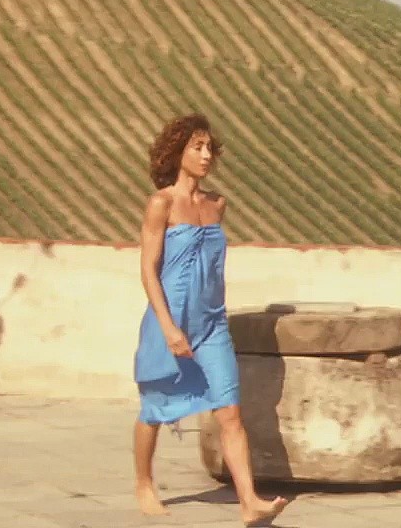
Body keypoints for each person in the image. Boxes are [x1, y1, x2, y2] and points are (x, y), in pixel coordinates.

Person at [133, 113, 290, 526]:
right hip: (170, 320)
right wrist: (168, 328)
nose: (206, 156)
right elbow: (148, 270)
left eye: (209, 149)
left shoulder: (217, 205)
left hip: (212, 324)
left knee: (230, 411)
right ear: (178, 152)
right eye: (197, 148)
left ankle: (249, 501)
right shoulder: (161, 204)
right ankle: (144, 483)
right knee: (155, 408)